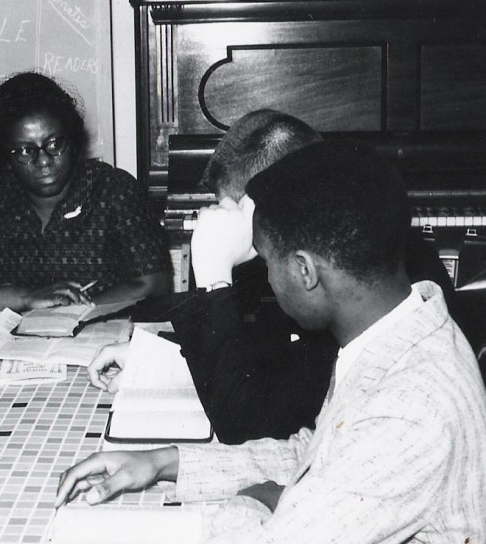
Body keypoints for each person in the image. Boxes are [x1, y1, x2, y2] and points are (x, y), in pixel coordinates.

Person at [57, 140, 486, 544]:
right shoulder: (396, 331)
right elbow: (313, 452)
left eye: (264, 260)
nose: (264, 276)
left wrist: (254, 498)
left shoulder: (410, 408)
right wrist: (163, 462)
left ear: (304, 271)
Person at [87, 110, 459, 444]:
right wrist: (165, 360)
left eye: (233, 211)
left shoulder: (365, 282)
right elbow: (274, 353)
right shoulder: (335, 248)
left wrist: (214, 271)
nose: (223, 222)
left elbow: (250, 422)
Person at [0, 71, 172, 312]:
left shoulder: (114, 191)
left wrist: (65, 312)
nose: (43, 160)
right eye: (25, 150)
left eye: (54, 144)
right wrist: (27, 297)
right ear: (5, 155)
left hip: (96, 337)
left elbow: (153, 284)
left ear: (72, 140)